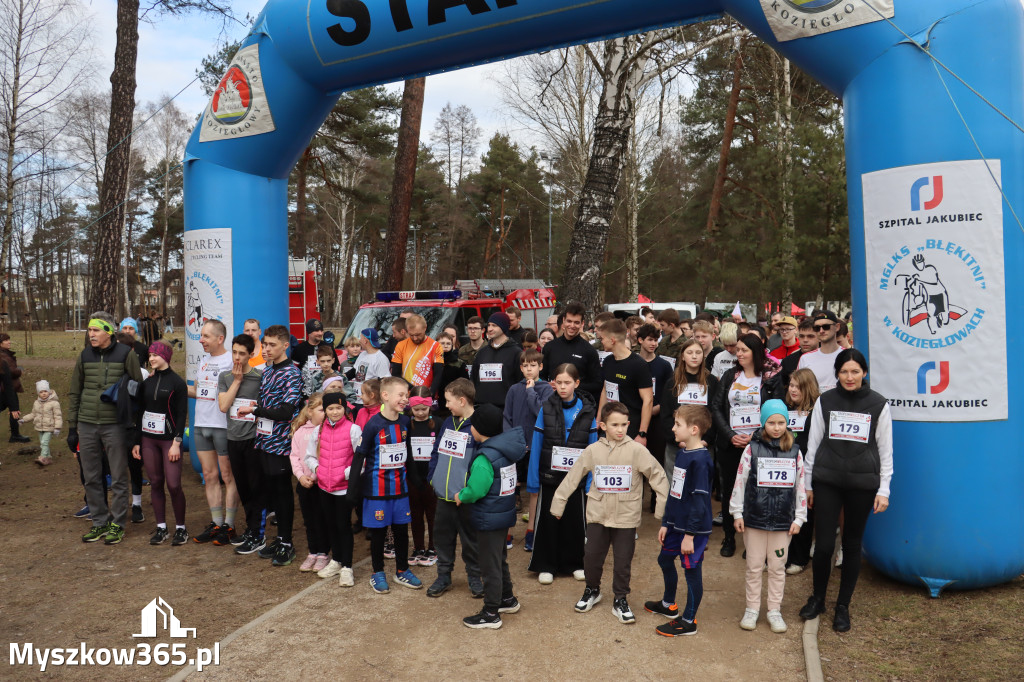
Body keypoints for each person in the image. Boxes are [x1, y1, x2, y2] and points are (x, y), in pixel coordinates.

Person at [799, 349, 892, 633]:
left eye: (855, 371)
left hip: (862, 485)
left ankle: (843, 606)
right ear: (837, 374)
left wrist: (884, 488)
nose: (849, 377)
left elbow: (886, 449)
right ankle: (818, 598)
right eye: (844, 372)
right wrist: (808, 484)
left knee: (852, 545)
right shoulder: (825, 401)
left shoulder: (878, 404)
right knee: (824, 545)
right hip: (827, 480)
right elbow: (813, 444)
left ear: (864, 373)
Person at [552, 402, 669, 624]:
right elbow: (573, 477)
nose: (620, 429)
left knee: (623, 559)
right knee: (592, 555)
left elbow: (658, 476)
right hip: (598, 512)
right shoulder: (593, 450)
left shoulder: (637, 450)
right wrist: (558, 504)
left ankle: (621, 598)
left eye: (624, 425)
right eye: (614, 425)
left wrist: (662, 509)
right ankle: (592, 589)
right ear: (602, 425)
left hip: (626, 515)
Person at [730, 399, 807, 634]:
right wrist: (737, 512)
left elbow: (800, 486)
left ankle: (774, 610)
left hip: (783, 522)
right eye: (771, 422)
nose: (776, 427)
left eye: (781, 422)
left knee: (777, 567)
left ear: (787, 423)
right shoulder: (752, 449)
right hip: (755, 518)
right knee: (753, 566)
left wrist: (799, 518)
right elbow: (740, 480)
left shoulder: (794, 451)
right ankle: (752, 609)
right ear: (763, 423)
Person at [68, 313, 143, 545]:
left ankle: (117, 524)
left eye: (96, 331)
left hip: (115, 425)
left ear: (108, 333)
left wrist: (132, 425)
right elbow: (74, 391)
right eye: (89, 331)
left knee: (119, 477)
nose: (91, 335)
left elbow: (137, 387)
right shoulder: (84, 356)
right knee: (91, 477)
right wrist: (72, 428)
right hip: (87, 423)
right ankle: (99, 522)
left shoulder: (126, 354)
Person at [347, 376, 423, 593]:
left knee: (400, 531)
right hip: (376, 490)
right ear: (385, 396)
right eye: (401, 395)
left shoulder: (405, 422)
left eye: (407, 395)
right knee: (379, 533)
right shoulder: (373, 425)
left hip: (400, 490)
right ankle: (377, 572)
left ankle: (402, 570)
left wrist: (416, 479)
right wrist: (354, 490)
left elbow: (407, 453)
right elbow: (359, 457)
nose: (405, 399)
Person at [235, 324, 302, 567]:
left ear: (285, 345)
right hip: (263, 441)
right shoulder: (268, 371)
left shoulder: (292, 373)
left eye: (273, 345)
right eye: (265, 344)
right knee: (271, 492)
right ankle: (279, 538)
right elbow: (266, 403)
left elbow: (286, 411)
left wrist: (255, 410)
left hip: (281, 443)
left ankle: (287, 542)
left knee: (283, 492)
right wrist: (256, 409)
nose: (268, 349)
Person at [455, 404, 526, 629]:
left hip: (488, 517)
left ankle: (491, 612)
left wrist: (461, 495)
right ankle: (507, 598)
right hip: (502, 513)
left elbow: (477, 489)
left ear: (479, 429)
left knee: (489, 565)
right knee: (498, 559)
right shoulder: (505, 450)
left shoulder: (485, 457)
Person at [528, 363, 598, 584]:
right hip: (550, 476)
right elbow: (537, 443)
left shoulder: (588, 410)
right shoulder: (545, 408)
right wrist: (533, 478)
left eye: (567, 383)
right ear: (553, 383)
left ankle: (575, 563)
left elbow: (593, 448)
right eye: (559, 383)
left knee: (574, 522)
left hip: (576, 480)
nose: (563, 387)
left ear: (576, 384)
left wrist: (590, 483)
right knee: (548, 520)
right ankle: (546, 564)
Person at [711, 333, 781, 558]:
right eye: (737, 350)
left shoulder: (768, 378)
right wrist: (730, 435)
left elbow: (775, 410)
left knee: (755, 492)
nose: (738, 354)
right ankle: (729, 537)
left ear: (755, 353)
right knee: (730, 490)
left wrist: (757, 436)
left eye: (744, 350)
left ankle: (752, 540)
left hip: (758, 445)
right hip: (730, 444)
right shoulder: (730, 375)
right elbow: (716, 407)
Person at [649, 405, 714, 637]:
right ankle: (669, 605)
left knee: (691, 570)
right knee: (665, 560)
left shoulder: (701, 461)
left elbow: (700, 501)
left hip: (692, 530)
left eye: (678, 424)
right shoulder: (683, 453)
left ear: (694, 429)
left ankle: (688, 621)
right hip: (676, 523)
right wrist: (666, 522)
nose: (673, 428)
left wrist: (690, 534)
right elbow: (675, 493)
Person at [426, 378, 484, 598]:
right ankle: (443, 576)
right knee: (442, 538)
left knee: (471, 540)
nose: (446, 405)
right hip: (444, 497)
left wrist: (469, 490)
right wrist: (433, 479)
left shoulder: (478, 425)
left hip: (467, 499)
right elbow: (436, 453)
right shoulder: (447, 422)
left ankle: (474, 577)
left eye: (449, 401)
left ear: (462, 400)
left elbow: (482, 463)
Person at [132, 341, 189, 546]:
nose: (152, 358)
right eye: (150, 355)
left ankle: (181, 528)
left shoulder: (177, 383)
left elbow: (182, 415)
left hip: (169, 441)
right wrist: (137, 442)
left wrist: (177, 442)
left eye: (156, 355)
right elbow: (139, 413)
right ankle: (161, 527)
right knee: (155, 482)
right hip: (148, 439)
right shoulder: (146, 382)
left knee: (173, 484)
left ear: (166, 356)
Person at [189, 319, 239, 546]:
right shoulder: (203, 361)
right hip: (201, 424)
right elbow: (198, 391)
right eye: (201, 336)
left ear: (220, 338)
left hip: (223, 426)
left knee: (228, 477)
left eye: (206, 336)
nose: (201, 340)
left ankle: (229, 525)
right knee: (209, 476)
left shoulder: (231, 360)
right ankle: (216, 523)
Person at [305, 391, 362, 587]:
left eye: (339, 408)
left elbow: (360, 461)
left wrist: (343, 474)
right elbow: (310, 456)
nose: (335, 411)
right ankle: (336, 560)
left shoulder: (354, 430)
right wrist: (318, 470)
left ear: (345, 408)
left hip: (343, 489)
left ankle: (347, 567)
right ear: (325, 410)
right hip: (324, 487)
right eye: (330, 408)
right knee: (330, 525)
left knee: (343, 526)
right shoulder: (318, 431)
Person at [217, 333, 267, 555]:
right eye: (234, 352)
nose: (237, 358)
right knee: (243, 487)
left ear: (251, 354)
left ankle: (259, 534)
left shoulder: (260, 377)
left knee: (257, 487)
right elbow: (223, 406)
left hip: (254, 440)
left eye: (242, 354)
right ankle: (250, 528)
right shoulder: (225, 376)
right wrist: (236, 381)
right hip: (233, 439)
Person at [502, 348, 554, 551]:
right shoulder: (514, 389)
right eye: (525, 365)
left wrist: (531, 390)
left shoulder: (546, 389)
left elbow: (541, 412)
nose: (529, 369)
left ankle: (531, 531)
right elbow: (507, 417)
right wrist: (511, 440)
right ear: (521, 367)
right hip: (515, 446)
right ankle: (506, 532)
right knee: (509, 488)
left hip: (536, 447)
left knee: (533, 490)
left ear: (540, 367)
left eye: (533, 365)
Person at [661, 339, 719, 480]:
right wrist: (677, 440)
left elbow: (716, 413)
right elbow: (666, 415)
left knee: (700, 486)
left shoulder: (711, 381)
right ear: (682, 356)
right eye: (690, 352)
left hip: (703, 444)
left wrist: (706, 440)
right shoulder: (672, 382)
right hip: (676, 446)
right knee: (673, 486)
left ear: (703, 356)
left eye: (698, 352)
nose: (694, 356)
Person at [290, 393, 332, 573]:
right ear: (309, 412)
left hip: (321, 484)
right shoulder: (300, 432)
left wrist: (315, 477)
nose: (325, 413)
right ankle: (313, 551)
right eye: (321, 410)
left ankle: (324, 552)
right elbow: (294, 457)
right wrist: (300, 476)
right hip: (304, 484)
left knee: (322, 518)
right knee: (309, 520)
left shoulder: (328, 431)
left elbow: (326, 457)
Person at [784, 368, 820, 575]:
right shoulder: (785, 407)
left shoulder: (816, 411)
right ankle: (785, 554)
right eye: (791, 385)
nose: (793, 390)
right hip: (784, 468)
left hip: (806, 470)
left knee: (804, 514)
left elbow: (812, 443)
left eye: (798, 386)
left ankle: (800, 557)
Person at [597, 319, 653, 444]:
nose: (601, 342)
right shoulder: (607, 361)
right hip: (608, 426)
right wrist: (598, 420)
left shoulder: (639, 365)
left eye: (603, 339)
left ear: (612, 340)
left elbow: (648, 401)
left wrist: (642, 433)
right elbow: (605, 391)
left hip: (630, 428)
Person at [541, 302, 602, 401]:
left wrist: (572, 387)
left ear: (582, 323)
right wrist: (547, 385)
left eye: (576, 322)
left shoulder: (589, 351)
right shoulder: (550, 347)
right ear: (564, 321)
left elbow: (597, 384)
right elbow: (541, 376)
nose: (572, 325)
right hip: (553, 405)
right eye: (569, 321)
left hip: (579, 406)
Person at [406, 386, 439, 567]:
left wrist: (431, 477)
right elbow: (407, 453)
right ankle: (418, 547)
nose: (419, 413)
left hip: (431, 480)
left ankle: (433, 548)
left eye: (423, 410)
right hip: (413, 479)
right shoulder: (406, 424)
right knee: (415, 515)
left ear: (430, 407)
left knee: (433, 515)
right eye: (416, 410)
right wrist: (414, 477)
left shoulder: (438, 424)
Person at [469, 312, 523, 411]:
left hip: (506, 409)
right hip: (482, 408)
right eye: (489, 325)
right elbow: (473, 379)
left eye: (494, 325)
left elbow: (520, 382)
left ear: (503, 327)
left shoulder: (516, 352)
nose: (490, 329)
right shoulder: (482, 352)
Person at [390, 314, 444, 396]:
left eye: (418, 334)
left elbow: (438, 374)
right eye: (411, 335)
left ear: (425, 328)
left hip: (427, 394)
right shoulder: (400, 345)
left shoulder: (435, 346)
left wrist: (430, 393)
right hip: (406, 395)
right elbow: (395, 374)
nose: (415, 338)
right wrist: (414, 390)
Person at [797, 311, 844, 392]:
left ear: (837, 327)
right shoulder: (805, 358)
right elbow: (799, 388)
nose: (821, 331)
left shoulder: (848, 355)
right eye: (817, 328)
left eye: (826, 326)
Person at [349, 329, 390, 416]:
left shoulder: (381, 359)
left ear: (365, 340)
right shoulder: (363, 354)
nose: (359, 341)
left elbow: (385, 381)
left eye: (361, 338)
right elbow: (354, 371)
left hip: (369, 403)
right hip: (356, 400)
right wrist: (340, 377)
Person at [20, 380, 61, 466]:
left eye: (45, 391)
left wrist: (57, 428)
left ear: (49, 391)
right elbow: (33, 414)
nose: (43, 393)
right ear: (38, 393)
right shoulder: (36, 403)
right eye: (41, 392)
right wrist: (23, 419)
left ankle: (42, 457)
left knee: (44, 443)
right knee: (42, 444)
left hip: (49, 427)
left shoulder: (54, 403)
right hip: (39, 427)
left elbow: (58, 416)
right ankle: (48, 458)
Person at [0, 333, 29, 443]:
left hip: (8, 388)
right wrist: (19, 370)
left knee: (15, 409)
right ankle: (15, 435)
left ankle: (15, 434)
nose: (9, 342)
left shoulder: (5, 354)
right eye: (6, 340)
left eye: (9, 339)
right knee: (14, 409)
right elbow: (10, 372)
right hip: (6, 389)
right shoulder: (2, 356)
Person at [435, 332, 468, 420]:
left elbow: (464, 384)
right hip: (435, 403)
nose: (445, 346)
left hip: (453, 403)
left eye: (448, 343)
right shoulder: (432, 361)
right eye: (442, 343)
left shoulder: (459, 363)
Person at [780, 318, 819, 388]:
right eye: (802, 336)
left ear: (819, 337)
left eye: (810, 336)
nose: (805, 340)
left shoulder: (827, 357)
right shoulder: (787, 361)